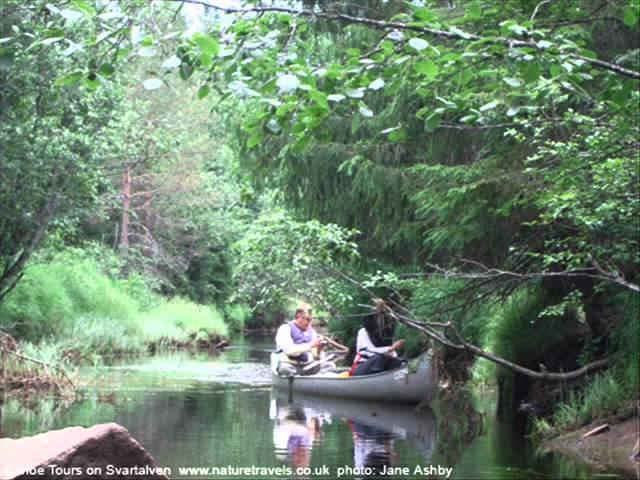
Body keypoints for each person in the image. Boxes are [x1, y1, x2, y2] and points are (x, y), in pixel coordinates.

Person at [275, 307, 337, 377]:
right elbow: (289, 350)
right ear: (299, 318)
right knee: (285, 369)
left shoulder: (312, 332)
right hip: (290, 365)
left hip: (309, 366)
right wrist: (311, 345)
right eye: (308, 320)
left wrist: (320, 350)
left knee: (330, 365)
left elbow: (317, 356)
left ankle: (315, 380)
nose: (310, 323)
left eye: (311, 320)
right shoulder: (285, 329)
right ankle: (299, 380)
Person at [352, 300, 405, 376]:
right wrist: (391, 348)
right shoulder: (363, 332)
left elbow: (391, 353)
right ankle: (377, 380)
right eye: (377, 318)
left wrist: (394, 355)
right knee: (380, 357)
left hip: (380, 363)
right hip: (361, 368)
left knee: (397, 361)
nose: (379, 321)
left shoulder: (385, 333)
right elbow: (370, 350)